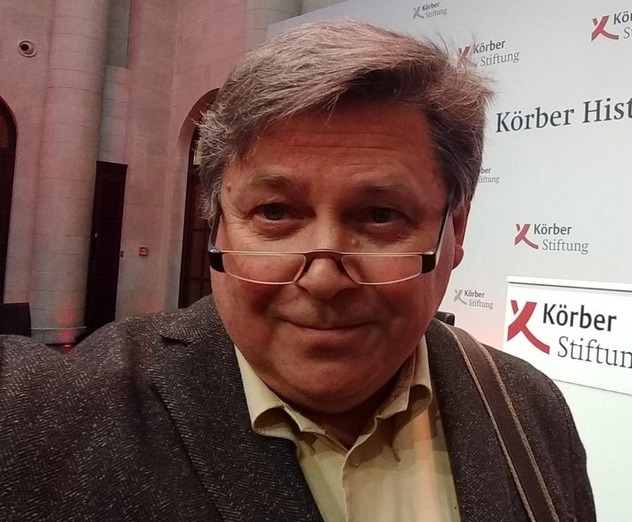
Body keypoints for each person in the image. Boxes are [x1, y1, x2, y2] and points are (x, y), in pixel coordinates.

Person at [0, 20, 595, 522]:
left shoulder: (529, 409)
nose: (323, 278)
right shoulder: (48, 421)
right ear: (217, 223)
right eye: (276, 213)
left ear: (454, 234)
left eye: (380, 216)